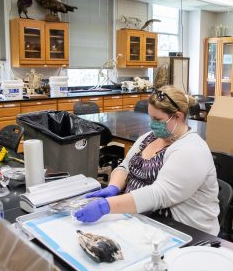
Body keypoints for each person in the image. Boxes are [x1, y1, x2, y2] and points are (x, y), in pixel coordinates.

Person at [74, 86, 220, 235]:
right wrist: (114, 187)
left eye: (157, 119)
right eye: (150, 117)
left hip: (182, 230)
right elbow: (125, 167)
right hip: (141, 218)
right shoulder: (150, 137)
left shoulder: (191, 149)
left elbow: (159, 194)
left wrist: (105, 206)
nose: (152, 124)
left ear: (178, 116)